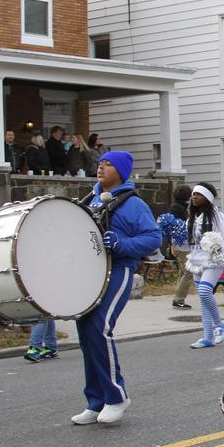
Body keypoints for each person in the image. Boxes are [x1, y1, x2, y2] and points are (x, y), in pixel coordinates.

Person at [72, 151, 161, 425]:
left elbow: (153, 238)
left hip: (119, 270)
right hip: (93, 274)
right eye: (100, 163)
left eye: (108, 164)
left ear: (121, 171)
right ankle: (96, 400)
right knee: (86, 332)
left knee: (100, 327)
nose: (101, 167)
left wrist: (122, 245)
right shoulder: (91, 198)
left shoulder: (133, 204)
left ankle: (116, 397)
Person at [186, 182, 224, 349]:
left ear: (207, 197)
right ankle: (207, 337)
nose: (194, 197)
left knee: (204, 291)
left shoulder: (217, 216)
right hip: (196, 260)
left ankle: (219, 324)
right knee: (203, 299)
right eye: (193, 194)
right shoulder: (192, 218)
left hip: (214, 260)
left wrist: (219, 249)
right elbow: (187, 243)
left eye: (198, 194)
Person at [169, 185, 194, 310]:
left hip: (183, 244)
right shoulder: (176, 209)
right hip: (180, 246)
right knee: (188, 272)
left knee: (182, 272)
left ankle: (178, 297)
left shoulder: (180, 207)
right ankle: (178, 299)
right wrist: (173, 245)